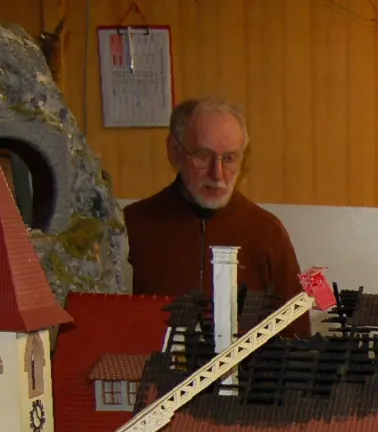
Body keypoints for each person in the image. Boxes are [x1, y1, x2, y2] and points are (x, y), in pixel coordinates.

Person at [125, 96, 308, 336]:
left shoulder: (267, 233)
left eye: (229, 158)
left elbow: (297, 336)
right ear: (174, 152)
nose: (217, 174)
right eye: (203, 155)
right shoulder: (132, 227)